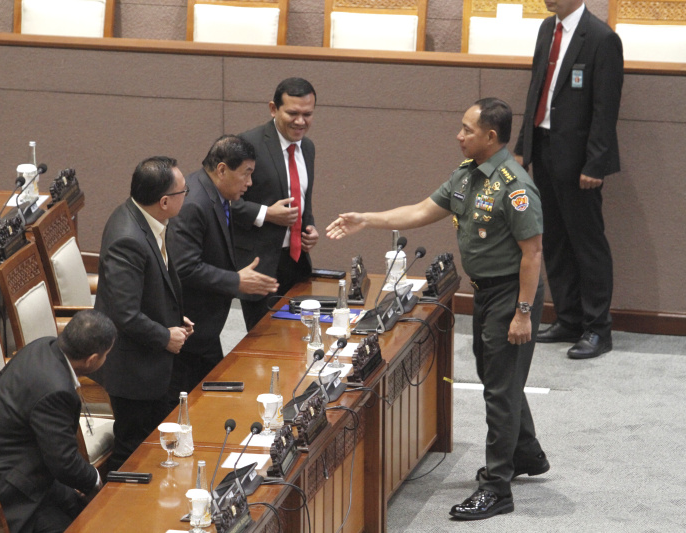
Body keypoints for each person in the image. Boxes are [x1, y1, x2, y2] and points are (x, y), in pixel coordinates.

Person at [327, 98, 549, 520]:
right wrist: (367, 219)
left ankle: (497, 488)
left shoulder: (515, 187)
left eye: (467, 129)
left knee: (500, 388)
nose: (458, 135)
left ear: (491, 137)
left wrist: (523, 312)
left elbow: (533, 253)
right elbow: (420, 210)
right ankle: (526, 453)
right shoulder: (467, 176)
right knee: (497, 375)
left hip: (511, 293)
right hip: (486, 291)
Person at [0, 310, 117, 533]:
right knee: (75, 525)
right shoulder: (57, 390)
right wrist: (95, 481)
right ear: (92, 359)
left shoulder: (41, 346)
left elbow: (1, 380)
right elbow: (64, 462)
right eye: (106, 355)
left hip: (18, 466)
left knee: (80, 509)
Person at [514, 0, 623, 359]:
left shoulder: (602, 38)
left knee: (587, 243)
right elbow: (535, 90)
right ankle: (569, 318)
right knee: (555, 239)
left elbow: (606, 108)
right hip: (543, 147)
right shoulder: (548, 28)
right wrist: (523, 147)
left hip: (579, 160)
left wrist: (595, 163)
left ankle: (598, 329)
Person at [93, 156, 194, 472]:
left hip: (152, 360)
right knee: (133, 452)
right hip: (133, 369)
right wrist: (165, 335)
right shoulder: (127, 238)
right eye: (183, 191)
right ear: (164, 201)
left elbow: (155, 283)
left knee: (154, 444)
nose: (186, 196)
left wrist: (175, 320)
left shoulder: (149, 219)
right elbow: (124, 313)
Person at [168, 135, 279, 393]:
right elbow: (185, 267)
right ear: (222, 170)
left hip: (206, 329)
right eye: (246, 173)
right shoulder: (194, 203)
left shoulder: (214, 194)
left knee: (215, 391)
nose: (250, 183)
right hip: (188, 330)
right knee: (193, 400)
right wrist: (236, 280)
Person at [234, 77, 320, 330]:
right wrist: (265, 213)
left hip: (297, 264)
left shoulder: (308, 148)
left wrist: (310, 228)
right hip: (260, 266)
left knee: (300, 337)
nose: (300, 121)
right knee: (263, 342)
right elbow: (220, 202)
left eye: (307, 114)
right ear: (273, 109)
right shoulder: (247, 145)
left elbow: (303, 199)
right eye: (293, 113)